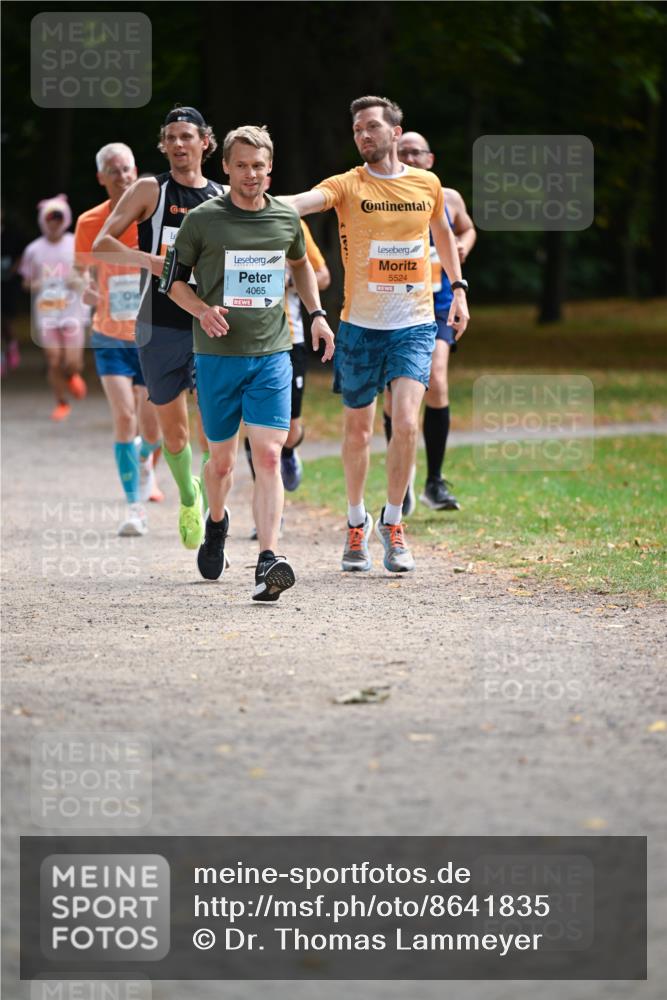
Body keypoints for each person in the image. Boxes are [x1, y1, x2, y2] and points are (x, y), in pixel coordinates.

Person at [283, 96, 469, 573]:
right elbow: (302, 203)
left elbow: (444, 236)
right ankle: (355, 522)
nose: (363, 135)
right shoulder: (349, 184)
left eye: (371, 127)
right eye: (357, 130)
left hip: (414, 323)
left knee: (406, 423)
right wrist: (251, 200)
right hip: (360, 326)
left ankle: (392, 522)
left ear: (394, 130)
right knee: (358, 432)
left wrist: (459, 288)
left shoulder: (426, 185)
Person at [167, 125, 335, 601]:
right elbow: (172, 281)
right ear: (225, 166)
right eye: (241, 165)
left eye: (258, 166)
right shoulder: (202, 220)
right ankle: (216, 523)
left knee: (267, 455)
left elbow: (301, 263)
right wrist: (202, 309)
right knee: (220, 463)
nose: (250, 174)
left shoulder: (285, 216)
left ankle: (268, 558)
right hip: (217, 356)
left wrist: (317, 314)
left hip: (272, 354)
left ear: (270, 168)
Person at [93, 105, 224, 550]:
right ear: (163, 145)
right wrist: (154, 263)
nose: (178, 144)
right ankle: (189, 496)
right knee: (174, 432)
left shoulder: (223, 196)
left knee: (213, 427)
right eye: (170, 137)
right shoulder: (151, 188)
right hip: (159, 324)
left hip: (211, 325)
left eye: (187, 136)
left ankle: (211, 506)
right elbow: (103, 243)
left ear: (206, 142)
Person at [383, 131, 477, 514]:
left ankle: (434, 482)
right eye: (402, 152)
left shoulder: (448, 197)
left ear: (430, 158)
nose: (409, 157)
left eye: (415, 152)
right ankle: (400, 478)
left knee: (436, 380)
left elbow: (468, 228)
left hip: (437, 301)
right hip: (394, 301)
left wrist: (463, 246)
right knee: (393, 396)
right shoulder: (387, 195)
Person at [75, 142, 163, 538]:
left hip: (148, 333)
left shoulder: (151, 216)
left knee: (153, 428)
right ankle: (134, 508)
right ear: (101, 177)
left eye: (127, 168)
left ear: (135, 170)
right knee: (124, 417)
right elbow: (83, 273)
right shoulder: (90, 222)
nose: (122, 175)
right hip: (110, 334)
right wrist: (86, 289)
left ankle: (145, 461)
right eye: (113, 170)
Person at [243, 213, 331, 536]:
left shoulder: (290, 223)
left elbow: (323, 275)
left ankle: (291, 451)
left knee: (288, 430)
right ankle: (270, 514)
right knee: (255, 429)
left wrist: (288, 280)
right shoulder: (229, 222)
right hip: (246, 340)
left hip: (289, 338)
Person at [19, 195, 88, 421]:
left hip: (72, 311)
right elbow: (26, 281)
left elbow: (89, 272)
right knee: (53, 358)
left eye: (58, 218)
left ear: (66, 219)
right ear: (43, 220)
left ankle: (73, 375)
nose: (54, 222)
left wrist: (78, 280)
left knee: (71, 361)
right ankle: (61, 402)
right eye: (50, 218)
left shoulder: (76, 242)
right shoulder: (33, 250)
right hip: (47, 312)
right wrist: (35, 284)